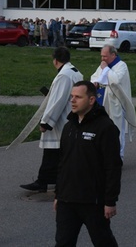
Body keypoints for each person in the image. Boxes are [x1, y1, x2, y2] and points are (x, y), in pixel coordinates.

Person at [54, 81, 121, 247]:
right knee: (63, 243)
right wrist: (58, 194)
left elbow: (113, 167)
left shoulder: (105, 127)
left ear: (91, 100)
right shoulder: (69, 127)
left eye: (78, 97)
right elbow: (62, 163)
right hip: (67, 200)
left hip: (93, 202)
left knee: (103, 242)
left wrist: (110, 201)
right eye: (71, 97)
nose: (73, 101)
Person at [20, 47, 83, 192]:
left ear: (55, 60)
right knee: (60, 153)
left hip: (60, 121)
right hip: (70, 117)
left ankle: (44, 182)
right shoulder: (75, 72)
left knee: (53, 152)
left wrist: (46, 122)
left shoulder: (64, 76)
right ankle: (51, 180)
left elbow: (57, 100)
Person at [90, 45, 136, 158]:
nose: (102, 59)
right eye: (101, 56)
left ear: (113, 55)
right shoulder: (103, 65)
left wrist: (106, 69)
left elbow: (115, 81)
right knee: (101, 129)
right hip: (102, 102)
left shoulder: (121, 66)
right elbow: (94, 77)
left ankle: (117, 156)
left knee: (116, 130)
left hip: (116, 104)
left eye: (105, 56)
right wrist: (95, 82)